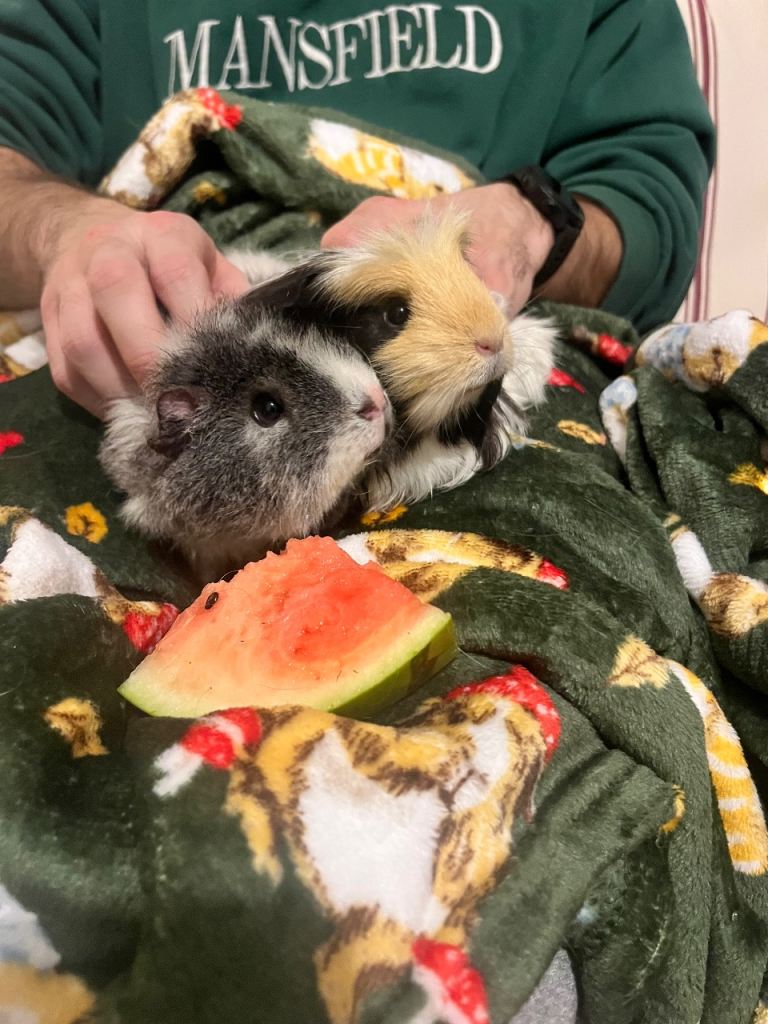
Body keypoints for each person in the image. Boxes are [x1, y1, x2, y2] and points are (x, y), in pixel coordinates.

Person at [0, 1, 714, 418]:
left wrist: (534, 224)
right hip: (150, 384)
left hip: (499, 398)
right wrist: (74, 233)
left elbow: (647, 204)